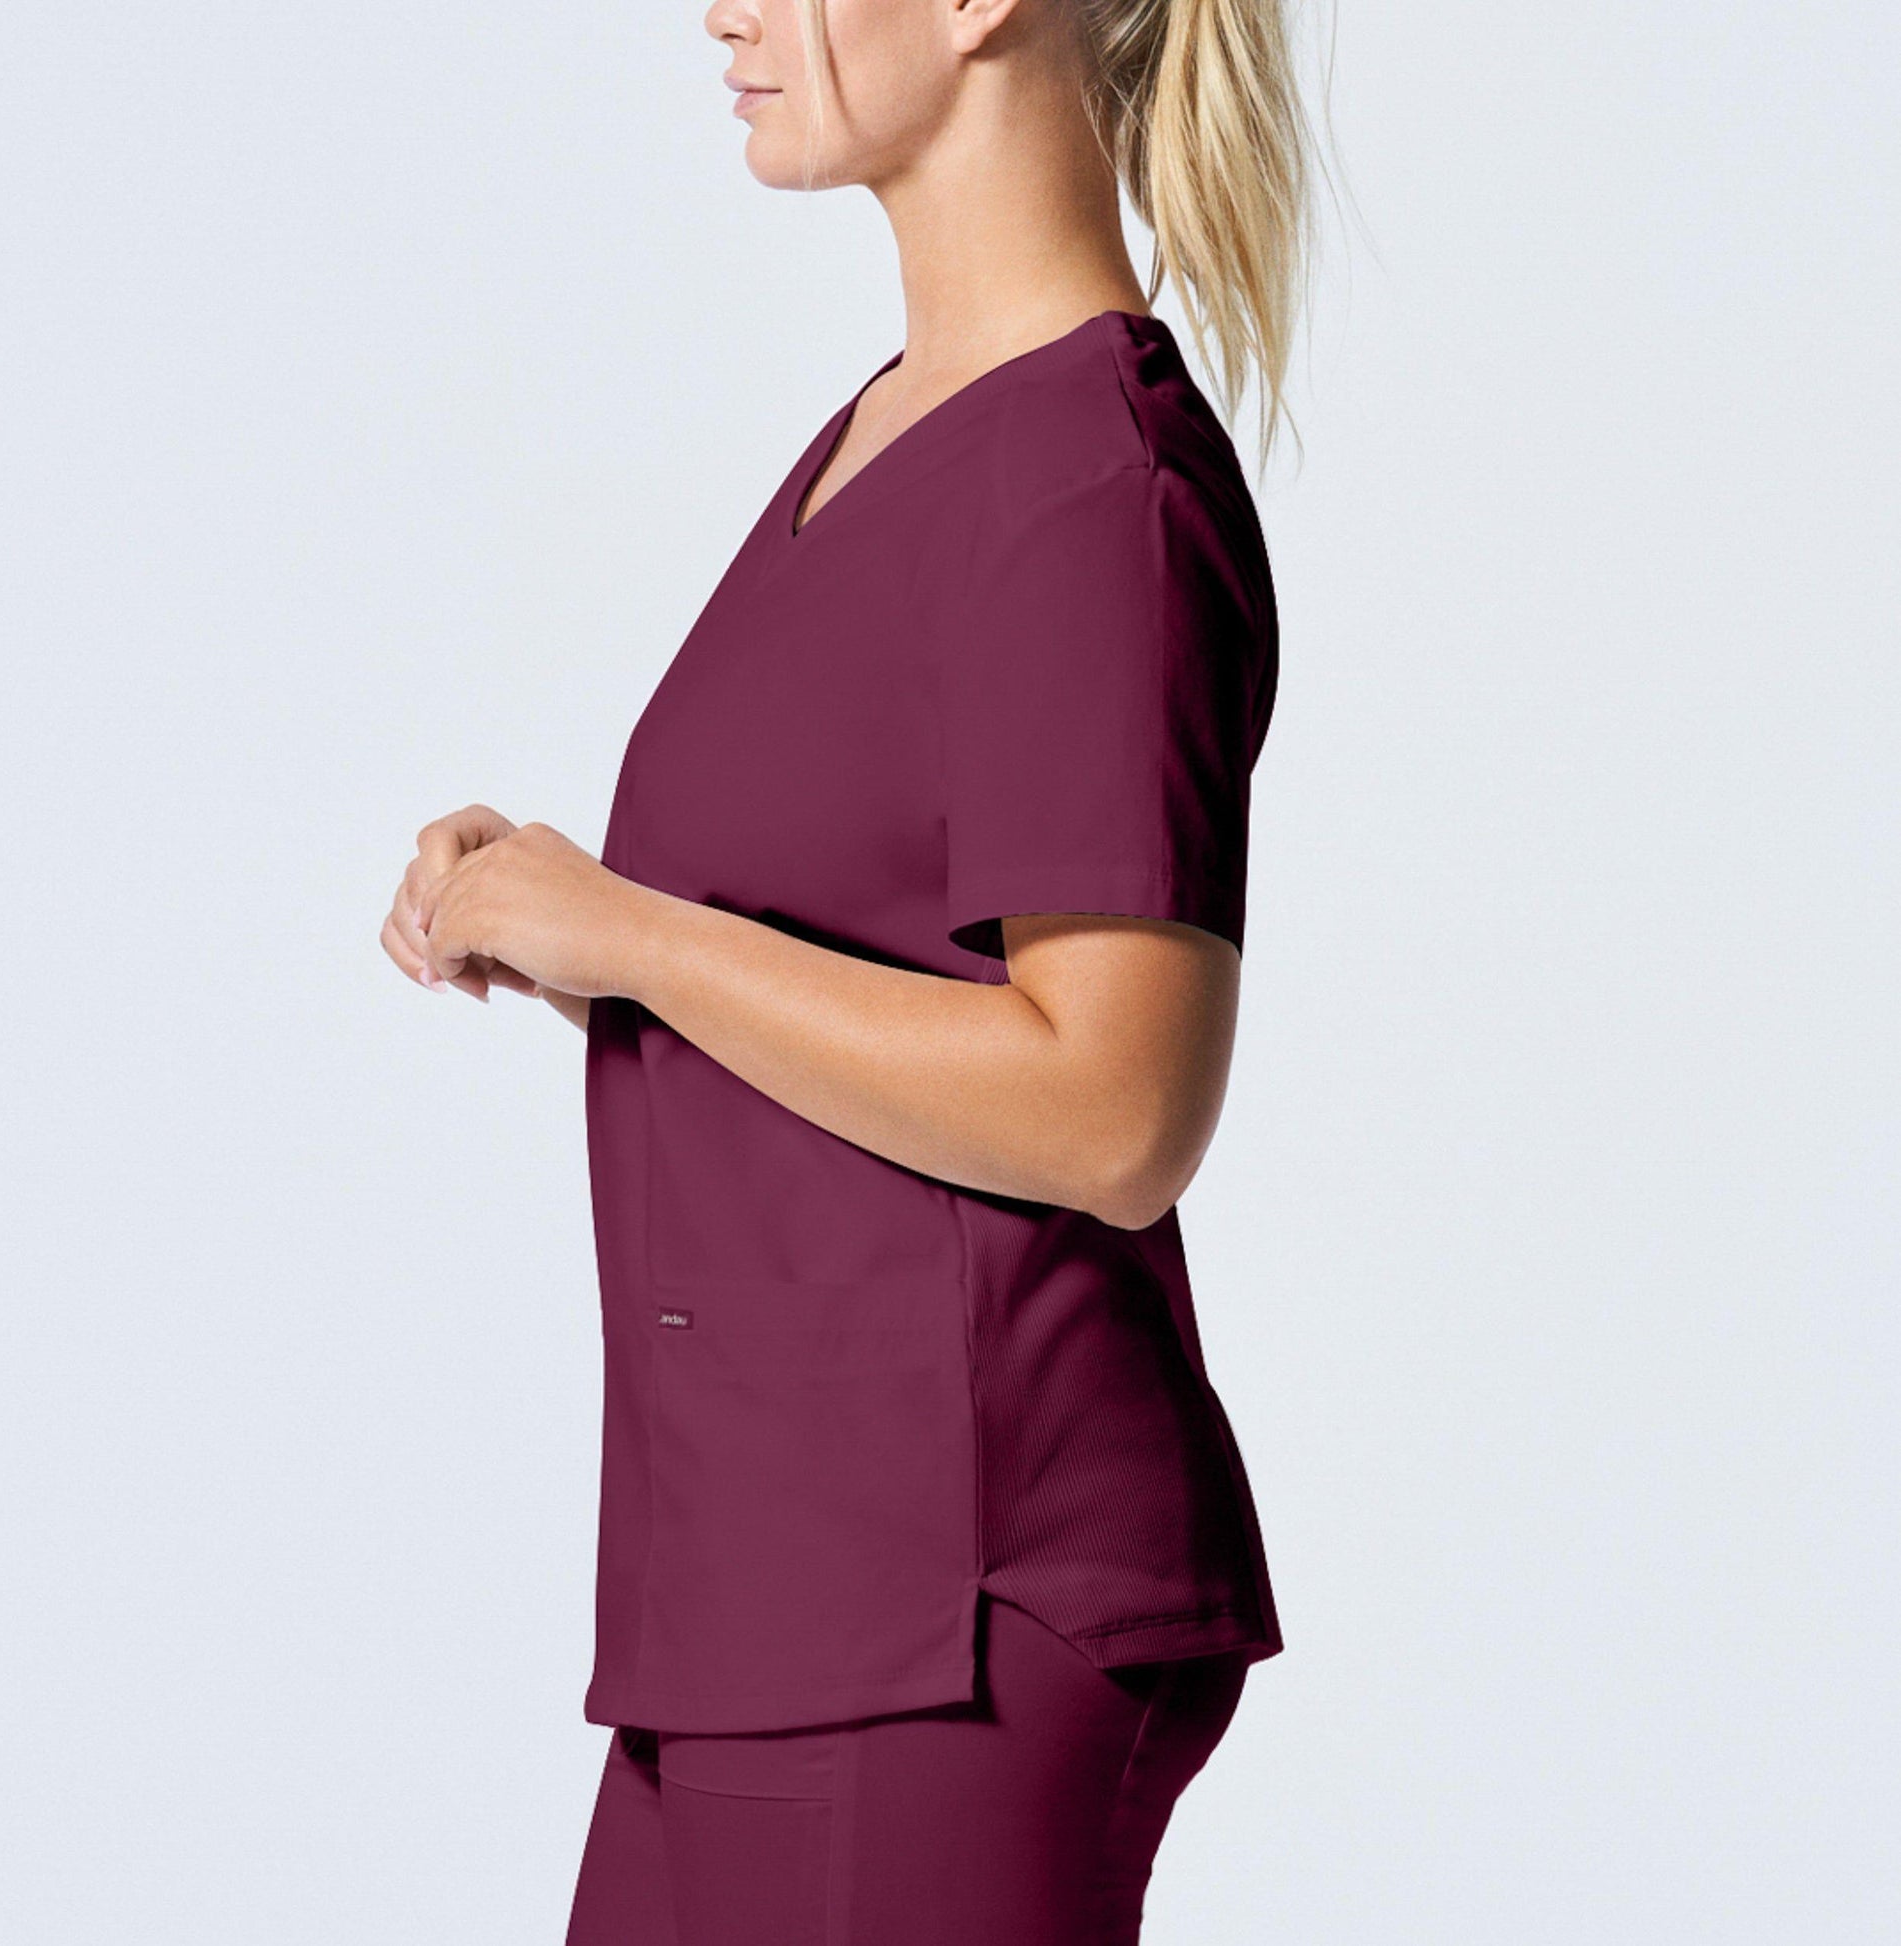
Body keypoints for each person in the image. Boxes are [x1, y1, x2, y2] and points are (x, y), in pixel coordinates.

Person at [379, 0, 1315, 1936]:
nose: (722, 10)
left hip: (946, 1612)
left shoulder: (1090, 486)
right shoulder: (897, 427)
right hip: (760, 1596)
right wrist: (569, 932)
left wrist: (639, 933)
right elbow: (863, 957)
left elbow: (1114, 1106)